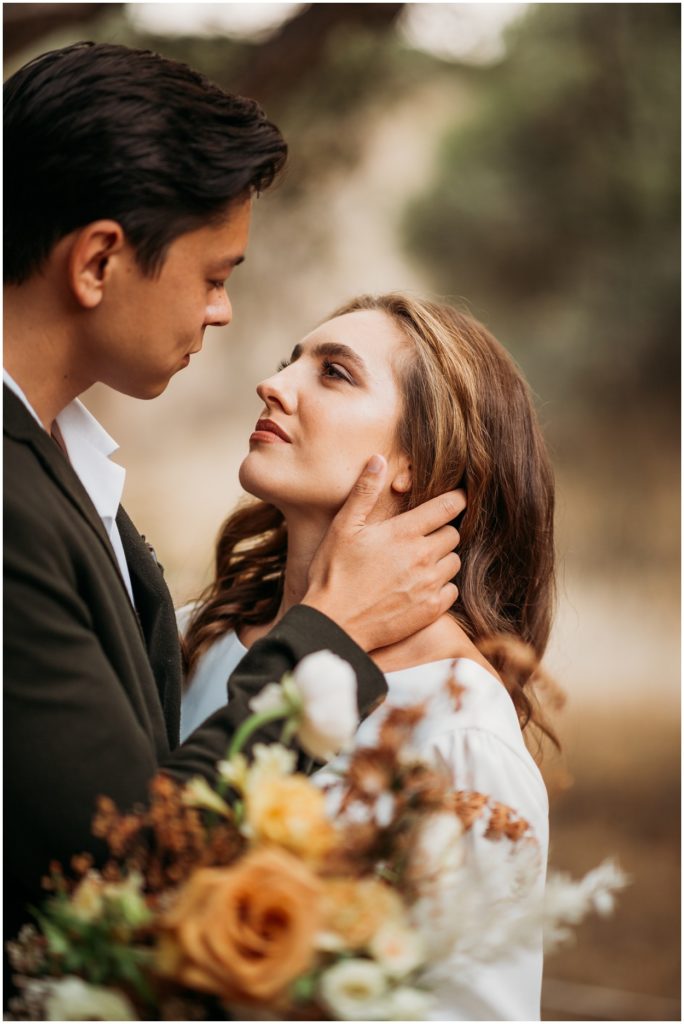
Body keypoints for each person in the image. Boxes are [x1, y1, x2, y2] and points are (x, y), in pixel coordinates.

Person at [3, 44, 466, 954]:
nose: (223, 317)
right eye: (215, 276)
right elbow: (131, 865)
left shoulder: (64, 469)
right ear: (98, 261)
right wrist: (329, 632)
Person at [180, 293, 556, 1020]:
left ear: (418, 460)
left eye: (334, 373)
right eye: (291, 359)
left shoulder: (459, 731)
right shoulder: (194, 636)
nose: (276, 383)